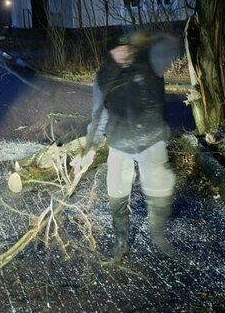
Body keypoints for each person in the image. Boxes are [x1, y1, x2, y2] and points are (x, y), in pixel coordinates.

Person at [72, 30, 180, 262]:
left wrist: (150, 38)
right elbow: (98, 116)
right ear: (110, 52)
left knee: (159, 191)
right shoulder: (104, 77)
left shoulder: (151, 62)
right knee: (116, 193)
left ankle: (158, 236)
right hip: (119, 142)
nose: (122, 52)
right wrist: (90, 148)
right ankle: (121, 243)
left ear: (132, 48)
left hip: (152, 138)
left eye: (126, 47)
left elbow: (173, 45)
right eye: (116, 49)